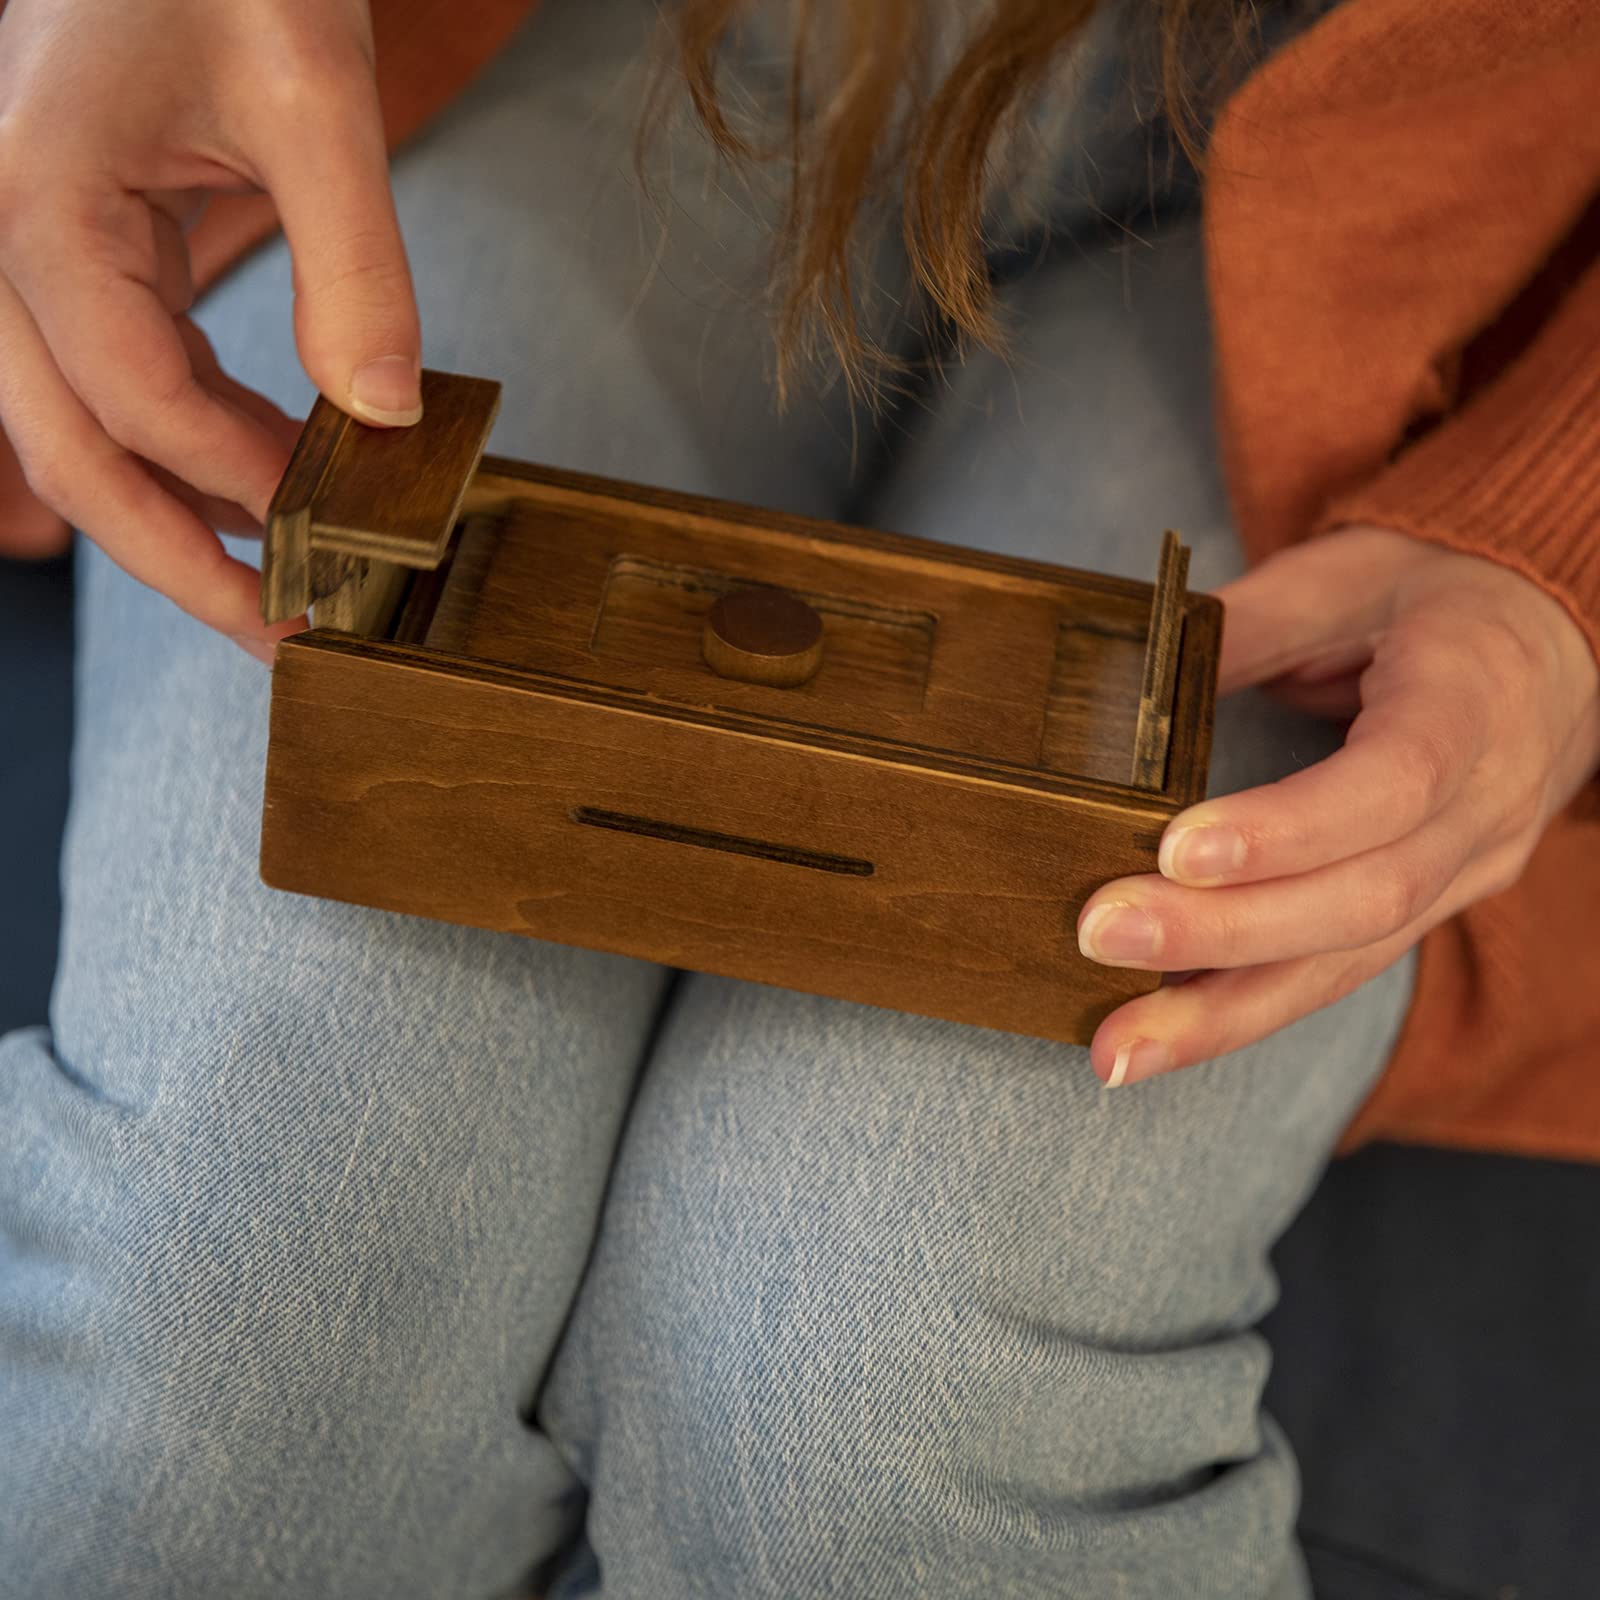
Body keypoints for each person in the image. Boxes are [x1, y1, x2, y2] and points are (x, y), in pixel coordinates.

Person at [0, 0, 1595, 1595]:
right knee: (216, 1340)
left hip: (1384, 219)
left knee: (869, 1386)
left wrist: (1555, 539)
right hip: (551, 60)